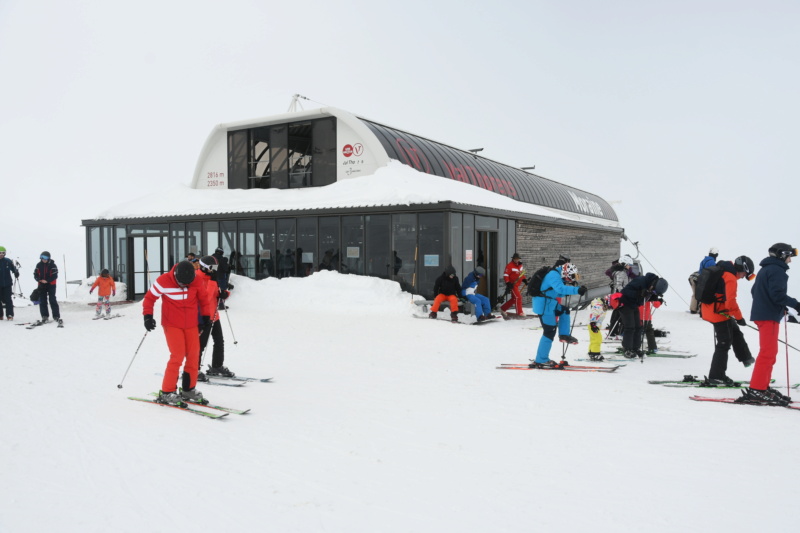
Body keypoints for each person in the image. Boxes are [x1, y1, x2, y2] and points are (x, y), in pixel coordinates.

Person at [143, 260, 213, 406]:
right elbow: (150, 298)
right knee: (177, 355)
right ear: (175, 275)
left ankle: (188, 389)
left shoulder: (197, 280)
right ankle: (167, 392)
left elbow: (204, 300)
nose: (185, 286)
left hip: (191, 325)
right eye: (182, 284)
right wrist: (148, 316)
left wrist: (206, 317)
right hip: (172, 324)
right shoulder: (163, 281)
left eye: (188, 284)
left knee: (194, 355)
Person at [738, 243, 800, 406]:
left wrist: (778, 305)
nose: (790, 261)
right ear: (782, 255)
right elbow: (777, 295)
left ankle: (761, 387)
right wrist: (795, 304)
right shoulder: (777, 270)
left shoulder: (766, 269)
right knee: (768, 353)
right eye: (789, 256)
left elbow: (756, 291)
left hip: (764, 314)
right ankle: (757, 389)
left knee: (769, 352)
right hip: (768, 316)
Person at [700, 256, 755, 386]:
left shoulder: (724, 270)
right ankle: (716, 376)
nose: (743, 277)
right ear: (742, 268)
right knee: (724, 343)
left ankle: (746, 358)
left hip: (713, 310)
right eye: (744, 274)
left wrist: (737, 318)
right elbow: (731, 302)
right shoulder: (729, 278)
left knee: (735, 331)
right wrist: (740, 317)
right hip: (717, 313)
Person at [531, 257, 587, 367]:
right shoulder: (554, 275)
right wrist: (576, 290)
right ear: (566, 272)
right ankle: (541, 359)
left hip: (550, 303)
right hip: (543, 306)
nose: (570, 280)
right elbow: (560, 289)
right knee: (549, 331)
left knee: (564, 310)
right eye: (570, 277)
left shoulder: (558, 275)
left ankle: (564, 335)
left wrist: (568, 291)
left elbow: (556, 292)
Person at [194, 255, 234, 381]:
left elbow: (215, 294)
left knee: (219, 341)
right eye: (212, 267)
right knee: (200, 345)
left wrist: (224, 293)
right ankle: (193, 370)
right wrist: (212, 281)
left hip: (214, 315)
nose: (214, 270)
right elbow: (205, 296)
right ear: (204, 267)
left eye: (215, 267)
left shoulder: (212, 277)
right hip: (203, 317)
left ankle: (217, 366)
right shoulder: (197, 278)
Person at [617, 272, 668, 359]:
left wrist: (653, 297)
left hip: (634, 305)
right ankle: (627, 349)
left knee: (638, 327)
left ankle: (635, 348)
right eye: (654, 291)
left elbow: (647, 296)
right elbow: (625, 291)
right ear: (654, 284)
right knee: (630, 327)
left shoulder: (650, 286)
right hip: (625, 304)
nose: (653, 292)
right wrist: (639, 293)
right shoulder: (641, 281)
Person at [606, 255, 634, 337]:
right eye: (629, 265)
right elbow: (619, 285)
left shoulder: (621, 272)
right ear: (624, 264)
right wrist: (625, 294)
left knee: (617, 314)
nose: (630, 267)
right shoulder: (622, 273)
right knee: (619, 315)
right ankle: (613, 333)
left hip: (618, 296)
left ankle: (615, 332)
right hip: (620, 297)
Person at [33, 251, 61, 325]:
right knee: (42, 300)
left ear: (49, 258)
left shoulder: (53, 265)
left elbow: (55, 276)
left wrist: (47, 281)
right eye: (42, 257)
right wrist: (39, 279)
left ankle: (56, 316)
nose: (44, 259)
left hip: (51, 284)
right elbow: (35, 274)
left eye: (46, 258)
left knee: (52, 299)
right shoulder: (38, 265)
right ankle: (44, 316)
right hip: (41, 285)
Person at [499, 252, 528, 318]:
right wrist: (508, 283)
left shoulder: (520, 265)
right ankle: (519, 312)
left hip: (517, 284)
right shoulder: (509, 265)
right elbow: (506, 275)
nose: (516, 260)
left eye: (517, 259)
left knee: (514, 299)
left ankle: (502, 309)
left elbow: (521, 274)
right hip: (512, 285)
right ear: (513, 259)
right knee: (518, 297)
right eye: (515, 259)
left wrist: (524, 280)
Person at [0, 246, 19, 320]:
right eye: (0, 253)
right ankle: (0, 315)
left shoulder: (7, 261)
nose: (1, 254)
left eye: (2, 253)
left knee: (8, 299)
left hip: (7, 284)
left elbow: (13, 269)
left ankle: (10, 315)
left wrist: (16, 272)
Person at [587, 296, 608, 361]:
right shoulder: (598, 306)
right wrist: (593, 324)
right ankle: (595, 353)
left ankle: (591, 351)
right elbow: (593, 314)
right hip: (593, 325)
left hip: (594, 325)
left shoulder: (599, 306)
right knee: (597, 339)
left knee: (593, 339)